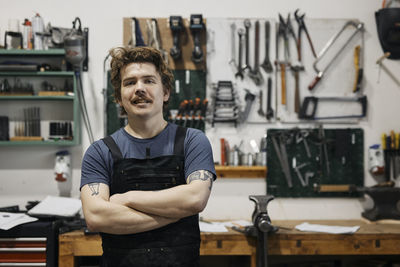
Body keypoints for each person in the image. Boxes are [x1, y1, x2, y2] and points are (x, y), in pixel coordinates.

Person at [80, 46, 216, 267]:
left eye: (149, 81)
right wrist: (175, 214)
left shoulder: (193, 141)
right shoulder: (99, 152)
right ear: (118, 96)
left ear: (165, 92)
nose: (139, 88)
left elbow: (195, 198)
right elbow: (96, 217)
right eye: (130, 82)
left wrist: (126, 198)